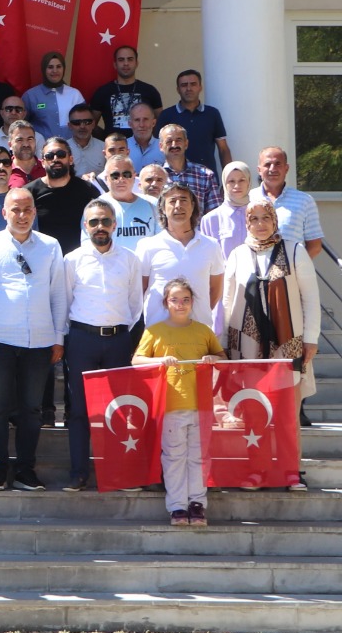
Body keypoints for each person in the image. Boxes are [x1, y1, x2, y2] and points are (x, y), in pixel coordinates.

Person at [220, 199, 321, 483]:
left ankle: (291, 472)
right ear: (247, 223)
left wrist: (311, 339)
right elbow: (227, 301)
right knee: (254, 412)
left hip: (287, 345)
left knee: (287, 414)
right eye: (254, 219)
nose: (260, 224)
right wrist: (223, 343)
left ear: (275, 220)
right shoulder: (238, 254)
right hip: (247, 347)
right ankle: (258, 471)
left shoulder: (294, 250)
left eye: (266, 217)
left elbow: (310, 298)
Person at [0, 187, 68, 491]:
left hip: (39, 341)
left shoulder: (50, 246)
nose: (22, 215)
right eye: (16, 209)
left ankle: (26, 471)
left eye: (28, 209)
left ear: (35, 212)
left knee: (31, 410)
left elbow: (58, 294)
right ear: (5, 213)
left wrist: (58, 337)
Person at [61, 198, 144, 492]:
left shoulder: (130, 260)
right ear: (86, 226)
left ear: (114, 225)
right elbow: (64, 301)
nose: (100, 227)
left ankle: (119, 473)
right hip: (81, 340)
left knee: (119, 410)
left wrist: (119, 332)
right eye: (94, 221)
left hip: (118, 341)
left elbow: (135, 304)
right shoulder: (72, 260)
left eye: (105, 221)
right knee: (79, 410)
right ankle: (79, 473)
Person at [133, 279, 223, 526]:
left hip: (201, 405)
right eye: (174, 300)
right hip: (171, 405)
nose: (180, 304)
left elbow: (222, 357)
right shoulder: (155, 331)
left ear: (192, 302)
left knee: (198, 457)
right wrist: (159, 360)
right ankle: (177, 507)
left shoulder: (203, 331)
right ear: (166, 303)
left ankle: (197, 504)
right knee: (174, 457)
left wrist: (211, 358)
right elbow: (136, 360)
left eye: (185, 300)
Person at [137, 183, 225, 329]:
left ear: (193, 206)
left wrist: (197, 312)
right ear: (163, 208)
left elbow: (215, 289)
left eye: (183, 200)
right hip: (159, 333)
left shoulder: (211, 245)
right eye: (172, 201)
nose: (178, 206)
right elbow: (140, 289)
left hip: (199, 331)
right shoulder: (148, 246)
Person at [25, 137, 100, 254]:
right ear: (42, 162)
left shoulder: (88, 190)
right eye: (49, 156)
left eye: (61, 154)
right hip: (43, 257)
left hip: (79, 258)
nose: (55, 159)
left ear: (70, 159)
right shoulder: (29, 192)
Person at [249, 147, 324, 259]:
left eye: (278, 164)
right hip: (255, 268)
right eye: (267, 164)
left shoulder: (304, 201)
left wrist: (295, 265)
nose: (272, 169)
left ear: (286, 168)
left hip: (293, 269)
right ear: (259, 170)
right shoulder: (249, 198)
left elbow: (315, 246)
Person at [158, 69, 231, 172]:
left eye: (193, 84)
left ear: (200, 87)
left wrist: (228, 176)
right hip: (175, 177)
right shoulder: (166, 115)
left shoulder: (212, 113)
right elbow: (158, 149)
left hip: (207, 177)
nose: (189, 88)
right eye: (184, 85)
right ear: (178, 89)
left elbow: (223, 149)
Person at [88, 45, 163, 133]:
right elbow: (91, 125)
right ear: (115, 64)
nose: (126, 63)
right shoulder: (102, 92)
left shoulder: (150, 91)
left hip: (143, 142)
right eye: (121, 60)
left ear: (136, 63)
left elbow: (160, 123)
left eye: (130, 59)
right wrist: (105, 137)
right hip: (112, 141)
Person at [96, 156, 157, 253]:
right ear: (106, 178)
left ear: (134, 177)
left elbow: (162, 242)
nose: (121, 179)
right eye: (115, 175)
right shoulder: (96, 208)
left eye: (126, 174)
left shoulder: (153, 204)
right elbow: (89, 246)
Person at [160, 124, 223, 212]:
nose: (174, 145)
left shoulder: (205, 175)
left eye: (178, 140)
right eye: (169, 141)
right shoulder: (156, 177)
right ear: (161, 146)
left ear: (186, 144)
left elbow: (215, 213)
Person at [21, 51, 84, 140]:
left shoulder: (75, 94)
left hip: (70, 147)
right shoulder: (30, 95)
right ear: (44, 69)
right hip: (41, 147)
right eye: (50, 67)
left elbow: (84, 123)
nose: (55, 71)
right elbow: (21, 125)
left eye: (59, 67)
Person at [200, 161, 254, 264]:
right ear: (225, 184)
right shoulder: (210, 219)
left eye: (242, 180)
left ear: (249, 182)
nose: (237, 185)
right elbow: (206, 257)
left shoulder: (259, 214)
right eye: (231, 181)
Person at [0, 95, 35, 162]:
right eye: (8, 109)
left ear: (24, 113)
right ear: (1, 113)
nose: (13, 112)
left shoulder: (37, 138)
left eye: (18, 109)